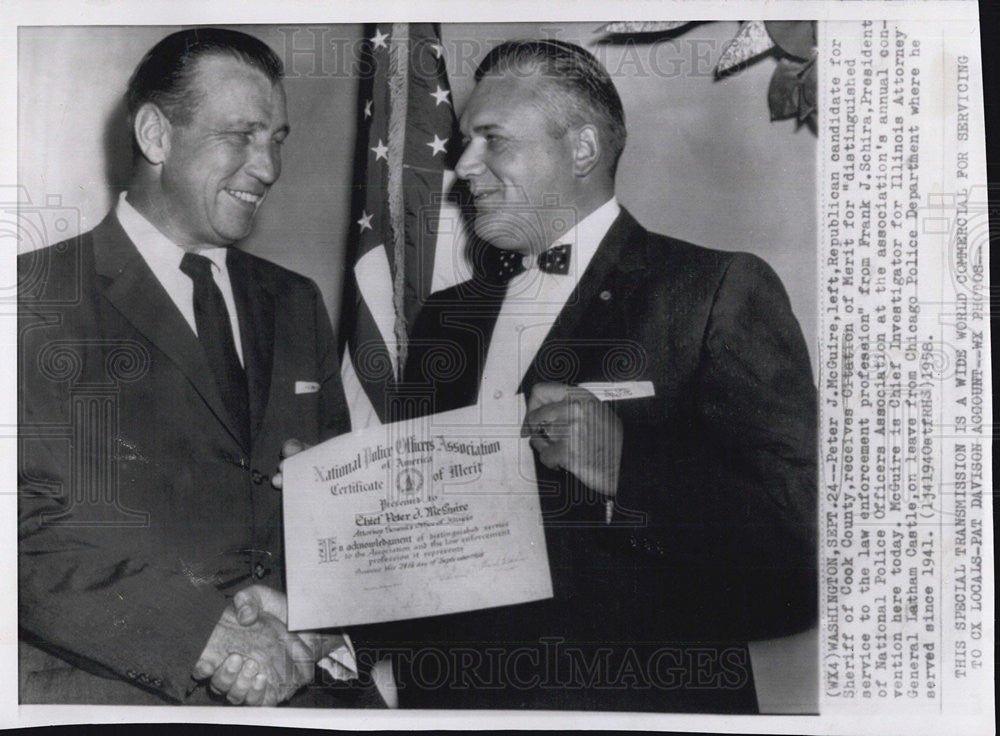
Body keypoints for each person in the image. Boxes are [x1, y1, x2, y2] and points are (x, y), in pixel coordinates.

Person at [369, 39, 818, 712]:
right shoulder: (445, 319)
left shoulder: (714, 290)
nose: (463, 166)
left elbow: (799, 538)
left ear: (580, 150)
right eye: (465, 141)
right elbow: (414, 533)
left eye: (492, 140)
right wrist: (333, 499)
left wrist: (624, 471)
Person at [17, 28, 364, 706]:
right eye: (242, 135)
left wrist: (318, 621)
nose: (268, 167)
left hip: (306, 687)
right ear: (155, 135)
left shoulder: (296, 302)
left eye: (278, 138)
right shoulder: (31, 299)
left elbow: (348, 512)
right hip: (116, 698)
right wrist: (209, 637)